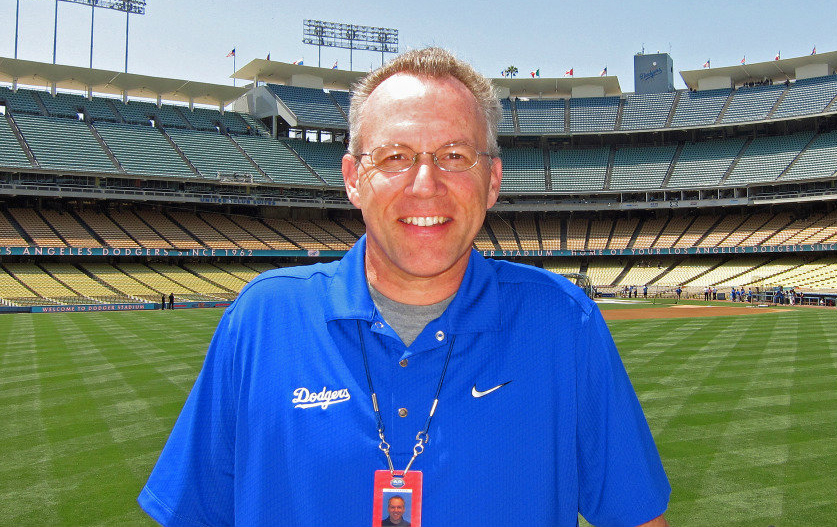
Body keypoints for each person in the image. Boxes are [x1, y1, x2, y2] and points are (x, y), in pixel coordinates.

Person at [138, 48, 669, 527]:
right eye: (395, 156)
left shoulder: (564, 323)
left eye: (455, 155)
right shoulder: (261, 320)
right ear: (352, 178)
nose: (425, 184)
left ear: (494, 181)